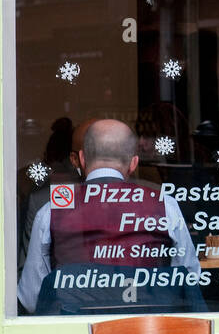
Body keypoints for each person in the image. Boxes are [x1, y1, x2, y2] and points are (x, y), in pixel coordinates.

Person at [17, 119, 204, 314]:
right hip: (148, 333)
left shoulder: (52, 210)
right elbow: (189, 279)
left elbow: (32, 298)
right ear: (134, 163)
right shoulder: (164, 204)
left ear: (81, 158)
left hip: (76, 333)